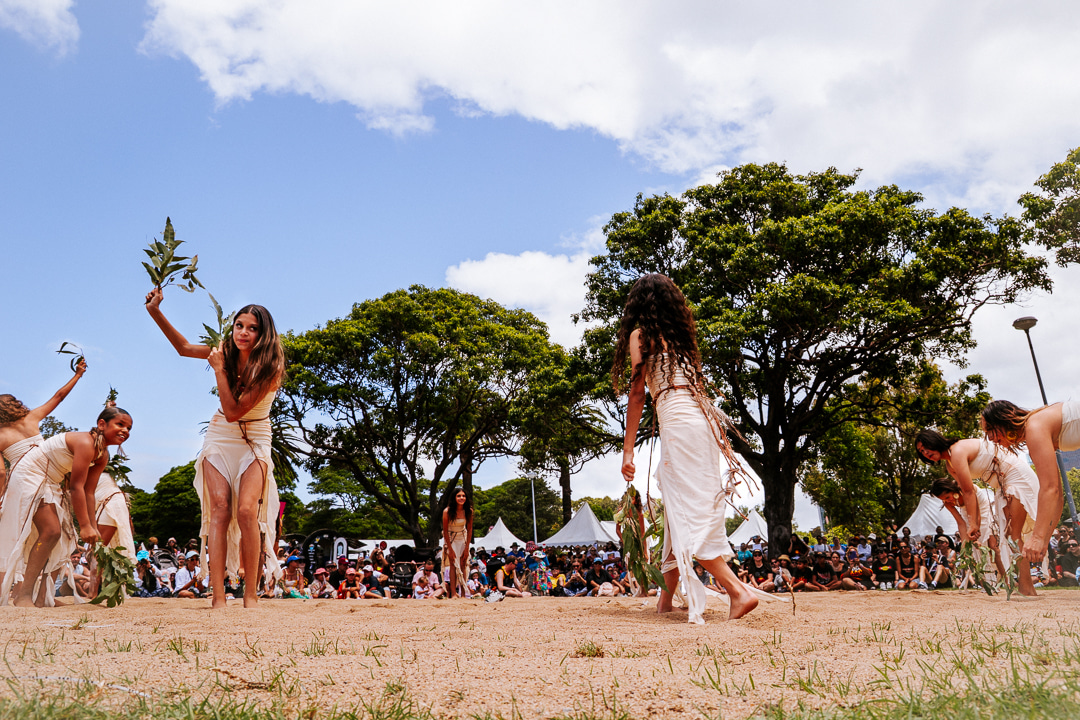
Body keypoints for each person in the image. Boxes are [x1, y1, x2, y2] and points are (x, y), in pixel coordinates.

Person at [612, 273, 757, 624]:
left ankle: (738, 591)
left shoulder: (640, 336)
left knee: (686, 511)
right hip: (703, 423)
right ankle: (665, 598)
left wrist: (628, 450)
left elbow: (636, 394)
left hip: (677, 421)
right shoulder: (682, 338)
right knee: (683, 506)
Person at [146, 288, 285, 608]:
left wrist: (220, 369)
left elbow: (236, 410)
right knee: (220, 510)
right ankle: (218, 596)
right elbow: (182, 348)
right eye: (239, 325)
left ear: (264, 334)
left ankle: (250, 595)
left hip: (255, 437)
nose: (244, 332)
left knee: (248, 511)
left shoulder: (270, 368)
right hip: (220, 436)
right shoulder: (225, 351)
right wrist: (155, 311)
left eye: (252, 328)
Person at [0, 406, 132, 607]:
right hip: (31, 474)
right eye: (120, 424)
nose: (125, 431)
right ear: (102, 424)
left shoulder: (103, 455)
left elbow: (89, 491)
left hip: (52, 481)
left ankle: (43, 597)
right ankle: (23, 595)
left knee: (64, 538)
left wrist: (93, 526)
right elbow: (76, 487)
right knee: (51, 530)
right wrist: (85, 525)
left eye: (129, 428)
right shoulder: (86, 443)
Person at [918, 428, 1040, 596]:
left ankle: (1027, 587)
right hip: (1001, 485)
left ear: (934, 441)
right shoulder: (950, 465)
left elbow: (969, 492)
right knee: (1009, 534)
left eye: (926, 447)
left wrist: (974, 523)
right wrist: (970, 530)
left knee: (1014, 535)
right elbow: (966, 505)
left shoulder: (957, 451)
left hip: (1014, 476)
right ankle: (1016, 584)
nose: (925, 452)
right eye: (921, 451)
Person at [980, 400, 1072, 562]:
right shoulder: (1036, 428)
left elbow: (1049, 489)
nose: (989, 438)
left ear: (1002, 420)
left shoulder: (1034, 428)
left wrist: (1037, 537)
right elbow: (1057, 497)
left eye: (989, 430)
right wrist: (1044, 540)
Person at [0, 360, 87, 499]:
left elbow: (1, 473)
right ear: (16, 404)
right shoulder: (31, 417)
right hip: (48, 471)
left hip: (23, 480)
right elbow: (59, 397)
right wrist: (78, 375)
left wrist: (1, 495)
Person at [441, 487, 473, 598]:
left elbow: (469, 530)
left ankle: (463, 593)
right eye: (459, 496)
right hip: (451, 538)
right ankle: (454, 593)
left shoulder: (469, 511)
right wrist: (449, 548)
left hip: (463, 537)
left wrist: (467, 547)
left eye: (463, 496)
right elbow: (445, 531)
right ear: (454, 497)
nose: (461, 498)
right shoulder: (447, 511)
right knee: (453, 565)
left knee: (463, 564)